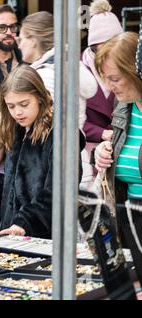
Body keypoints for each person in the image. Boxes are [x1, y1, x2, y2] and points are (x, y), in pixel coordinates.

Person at [16, 10, 97, 190]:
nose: (19, 45)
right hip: (75, 159)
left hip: (55, 167)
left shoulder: (45, 76)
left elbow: (47, 127)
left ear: (33, 40)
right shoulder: (67, 66)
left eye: (21, 39)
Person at [94, 32, 142, 283]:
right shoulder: (124, 107)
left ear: (136, 72)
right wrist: (103, 153)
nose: (110, 87)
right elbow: (123, 157)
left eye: (115, 78)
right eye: (106, 79)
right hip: (128, 222)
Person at [81, 0, 123, 189]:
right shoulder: (78, 71)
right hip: (88, 155)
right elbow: (69, 118)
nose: (103, 54)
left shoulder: (131, 69)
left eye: (110, 46)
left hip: (123, 152)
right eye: (97, 48)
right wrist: (102, 133)